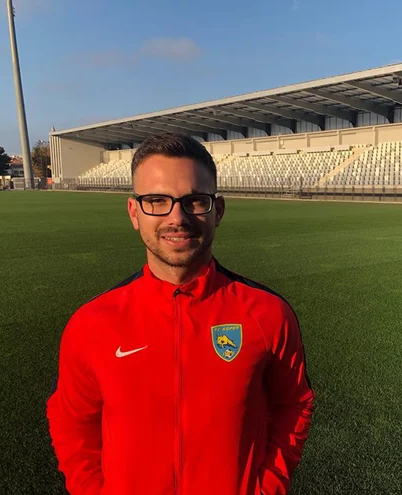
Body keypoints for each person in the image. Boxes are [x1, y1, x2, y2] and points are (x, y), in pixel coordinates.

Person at [47, 133, 315, 495]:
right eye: (156, 200)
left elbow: (294, 406)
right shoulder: (91, 323)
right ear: (134, 212)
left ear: (217, 210)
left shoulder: (268, 313)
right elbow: (72, 424)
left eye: (194, 201)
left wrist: (267, 488)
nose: (177, 217)